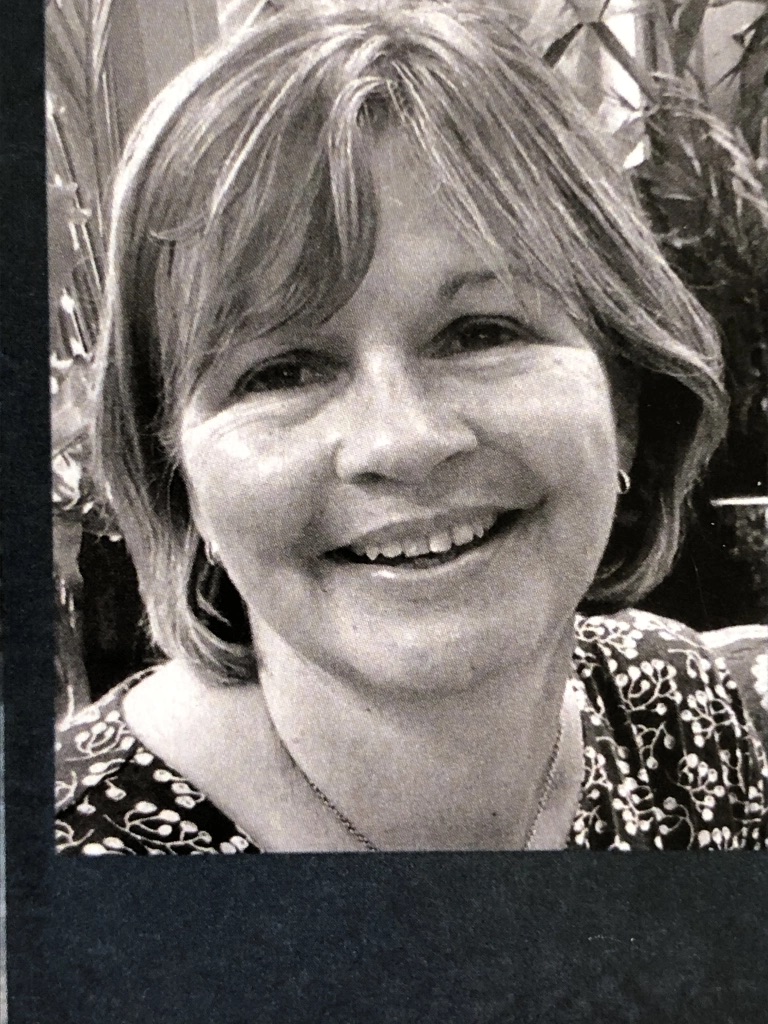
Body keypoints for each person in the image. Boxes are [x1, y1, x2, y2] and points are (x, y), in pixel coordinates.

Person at [55, 0, 767, 854]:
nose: (402, 442)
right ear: (178, 481)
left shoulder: (685, 719)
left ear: (626, 400)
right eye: (281, 371)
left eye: (481, 333)